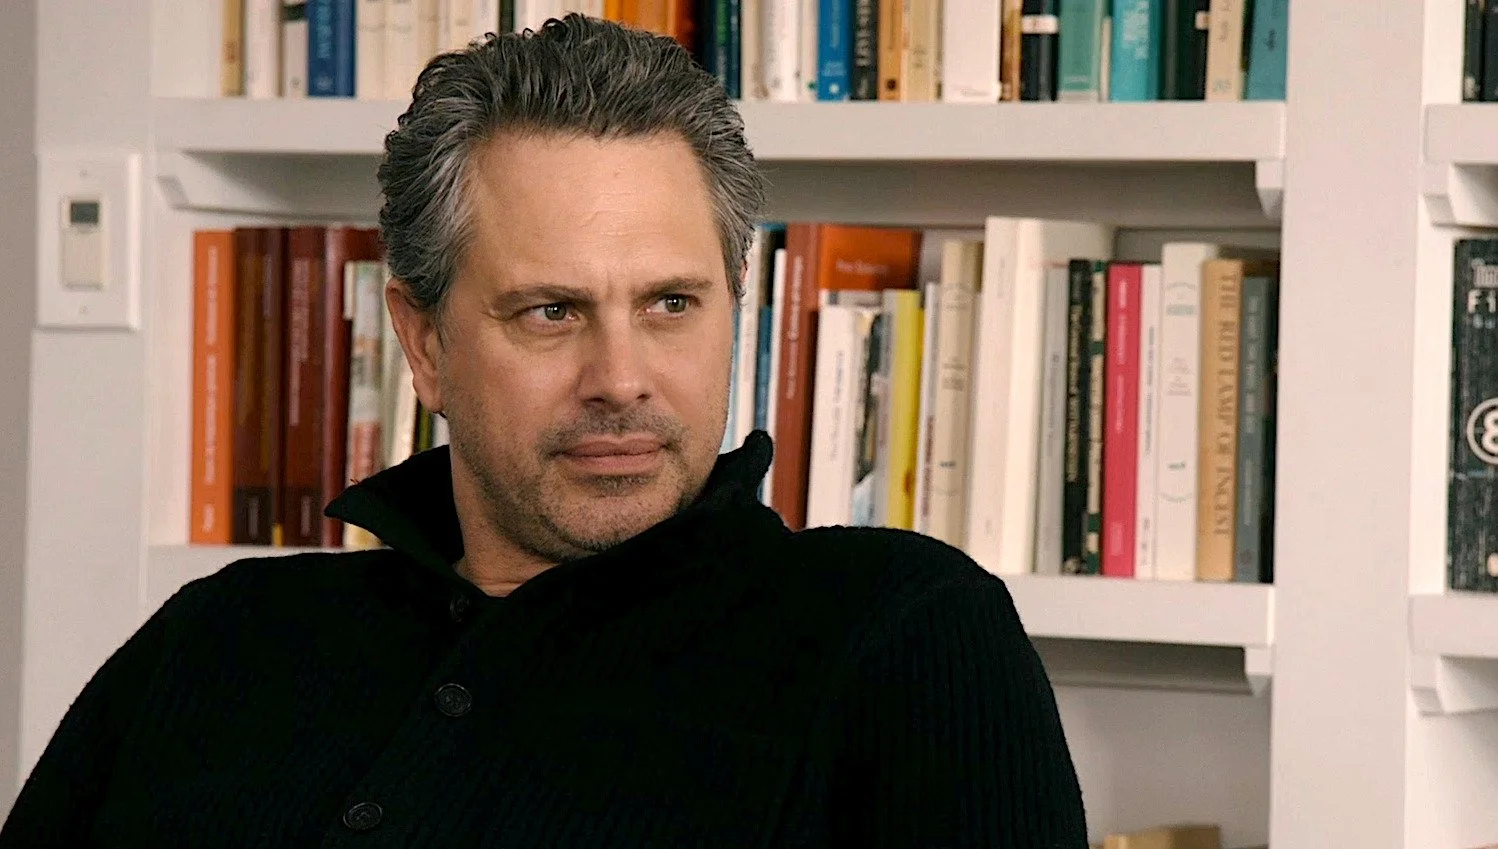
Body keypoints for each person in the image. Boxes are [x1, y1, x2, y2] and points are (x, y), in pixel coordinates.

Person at [0, 15, 1088, 848]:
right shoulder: (218, 640)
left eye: (670, 304)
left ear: (733, 308)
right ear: (422, 343)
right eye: (550, 312)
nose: (620, 379)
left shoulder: (897, 633)